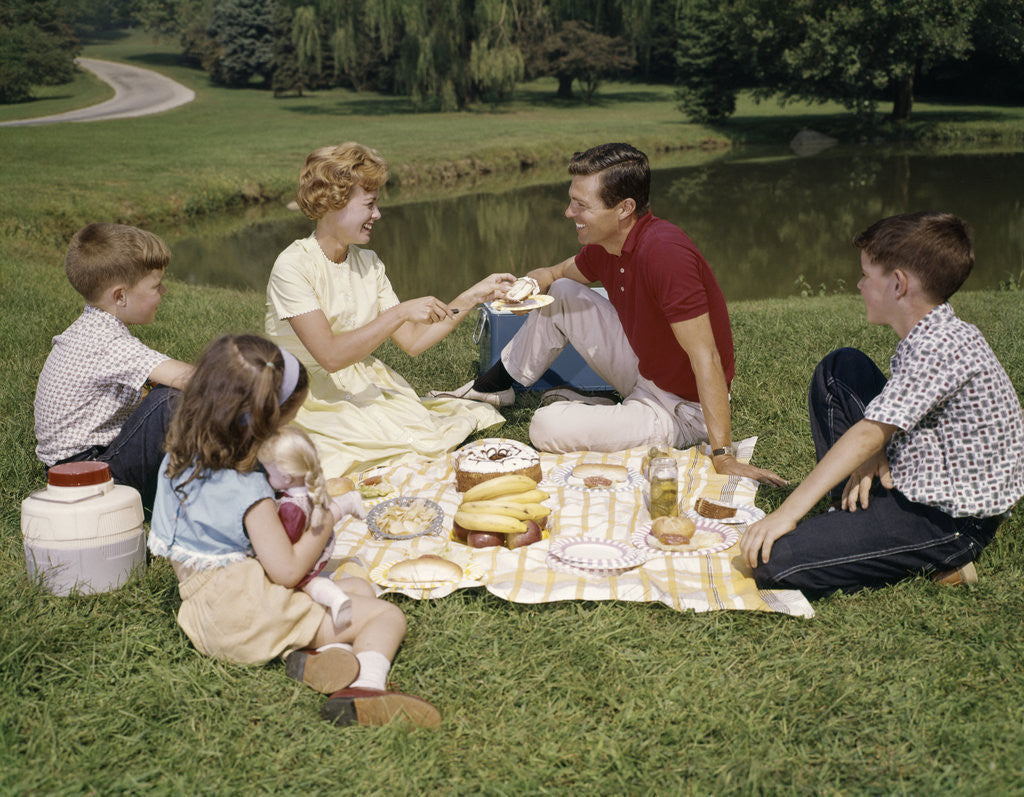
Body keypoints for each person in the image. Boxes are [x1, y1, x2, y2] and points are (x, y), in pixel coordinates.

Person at [430, 142, 784, 485]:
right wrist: (528, 285)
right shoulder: (606, 245)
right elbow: (554, 276)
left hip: (682, 410)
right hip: (644, 372)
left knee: (544, 427)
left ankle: (595, 408)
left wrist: (722, 453)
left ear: (624, 208)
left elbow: (706, 356)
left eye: (581, 205)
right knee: (563, 293)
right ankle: (496, 387)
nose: (569, 213)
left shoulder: (665, 253)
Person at [148, 334, 441, 728]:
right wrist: (326, 517)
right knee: (384, 616)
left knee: (356, 592)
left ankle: (320, 660)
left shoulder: (177, 459)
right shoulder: (249, 491)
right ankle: (366, 691)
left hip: (204, 613)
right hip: (246, 615)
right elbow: (286, 571)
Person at [741, 211, 1024, 597]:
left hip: (949, 519)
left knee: (773, 561)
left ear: (898, 284)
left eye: (866, 275)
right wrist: (874, 451)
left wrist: (785, 514)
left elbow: (867, 432)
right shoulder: (935, 328)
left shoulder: (940, 346)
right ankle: (855, 508)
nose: (858, 284)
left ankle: (944, 558)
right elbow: (881, 424)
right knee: (839, 369)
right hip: (927, 470)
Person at [265, 142, 515, 478]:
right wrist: (398, 313)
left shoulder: (368, 263)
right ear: (333, 203)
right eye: (369, 205)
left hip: (358, 381)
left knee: (419, 434)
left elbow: (413, 342)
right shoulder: (293, 266)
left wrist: (471, 297)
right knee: (356, 449)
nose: (377, 215)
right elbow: (330, 357)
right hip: (304, 391)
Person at [33, 222, 193, 512]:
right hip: (92, 476)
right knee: (172, 399)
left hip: (70, 472)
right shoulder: (106, 341)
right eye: (156, 286)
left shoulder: (91, 326)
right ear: (120, 296)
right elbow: (189, 378)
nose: (165, 291)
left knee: (161, 394)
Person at [257, 425, 366, 627]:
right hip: (311, 547)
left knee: (309, 585)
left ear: (286, 477)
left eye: (269, 473)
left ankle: (336, 600)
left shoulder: (291, 508)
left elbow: (285, 544)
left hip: (300, 556)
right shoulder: (309, 492)